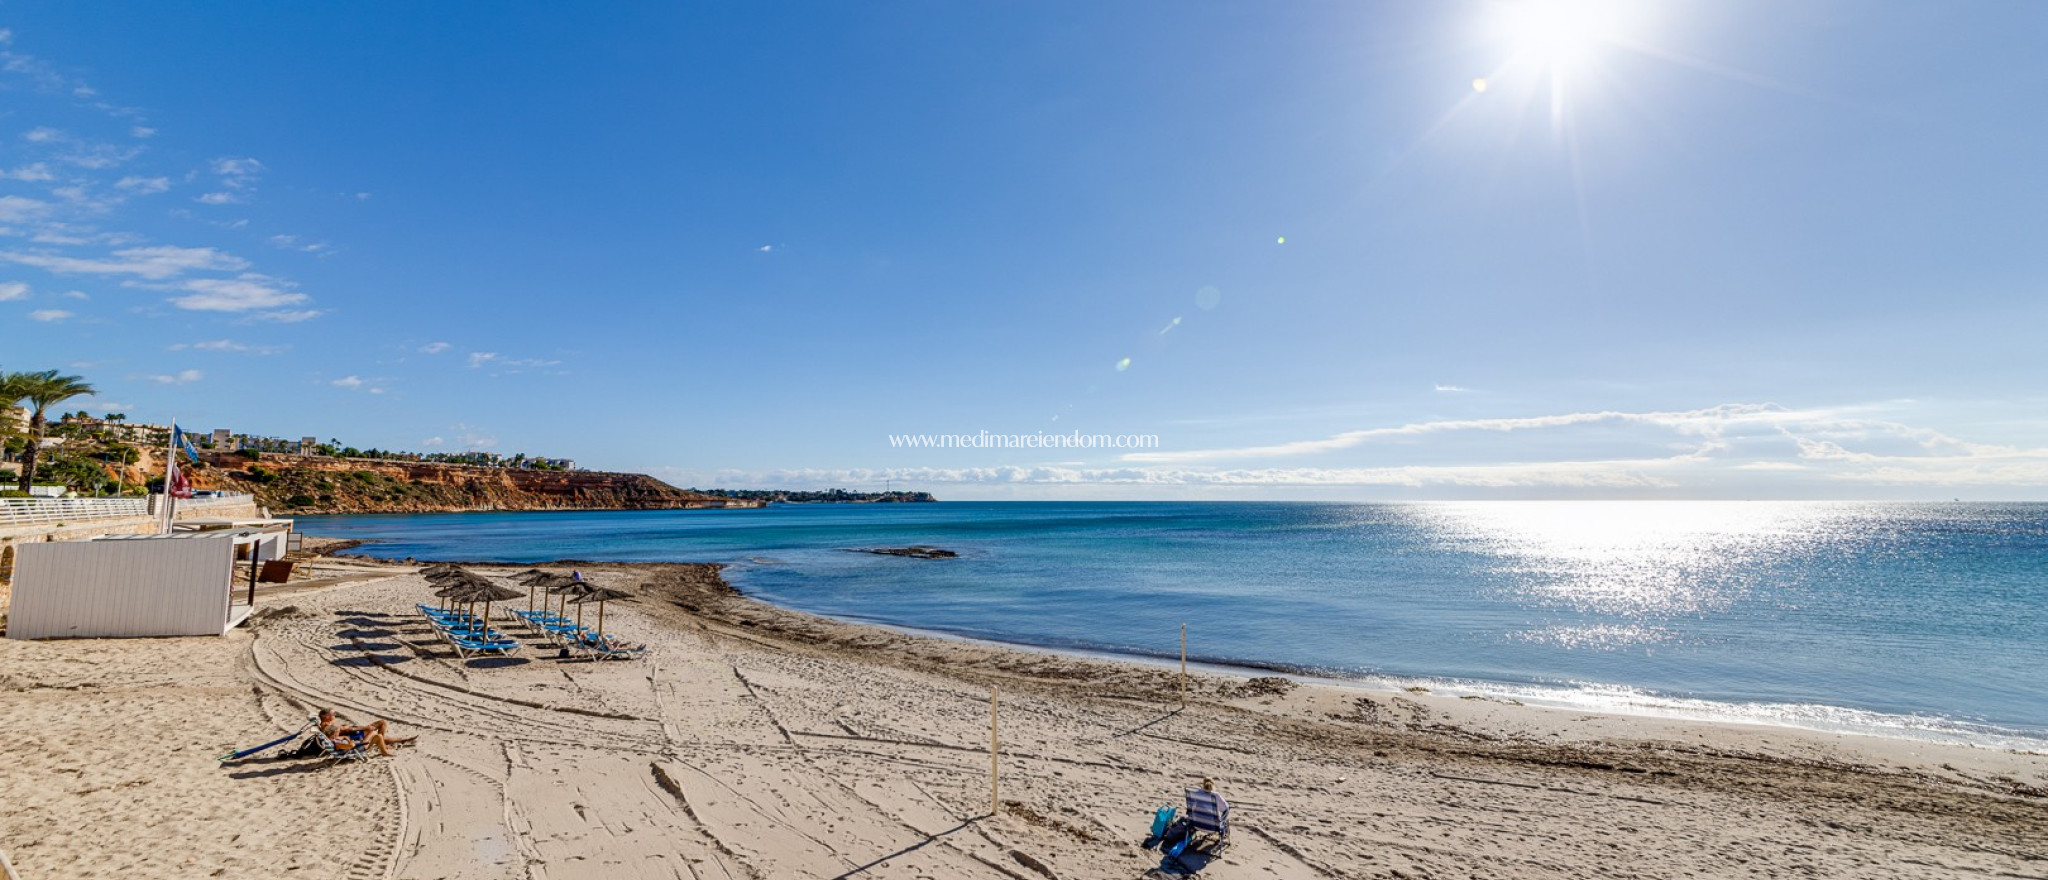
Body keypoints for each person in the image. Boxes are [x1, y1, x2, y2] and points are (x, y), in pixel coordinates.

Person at [317, 708, 416, 758]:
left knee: (381, 725)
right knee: (375, 731)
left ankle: (398, 741)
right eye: (333, 713)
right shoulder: (327, 726)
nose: (335, 714)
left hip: (350, 737)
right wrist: (365, 727)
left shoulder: (328, 724)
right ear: (326, 716)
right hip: (352, 737)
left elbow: (345, 729)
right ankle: (385, 746)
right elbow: (347, 730)